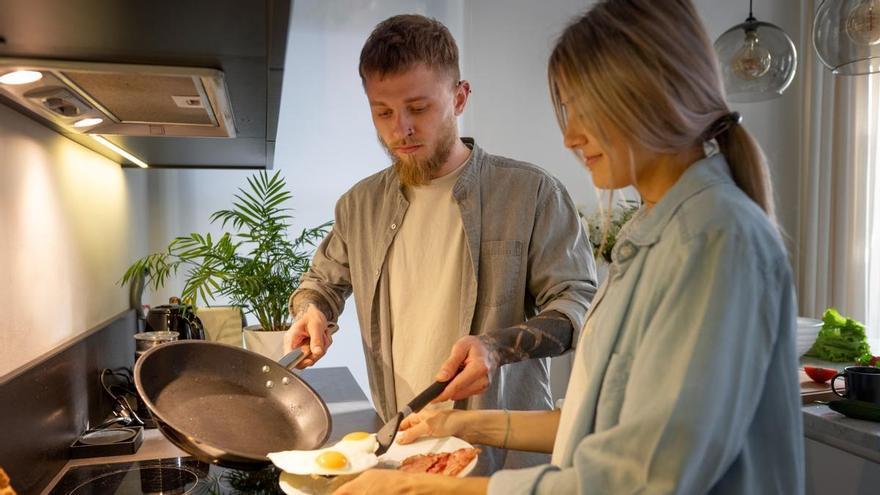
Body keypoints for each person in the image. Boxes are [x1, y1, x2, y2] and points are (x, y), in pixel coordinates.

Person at [333, 0, 804, 493]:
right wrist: (458, 425)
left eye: (585, 109)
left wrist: (427, 489)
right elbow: (596, 425)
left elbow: (644, 479)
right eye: (383, 112)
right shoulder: (659, 233)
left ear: (652, 98)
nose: (570, 136)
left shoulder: (712, 240)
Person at [285, 14, 597, 472]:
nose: (400, 130)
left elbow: (577, 304)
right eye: (383, 112)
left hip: (504, 455)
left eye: (419, 108)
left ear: (460, 96)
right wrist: (312, 311)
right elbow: (322, 282)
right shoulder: (359, 205)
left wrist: (497, 347)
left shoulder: (531, 193)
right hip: (403, 445)